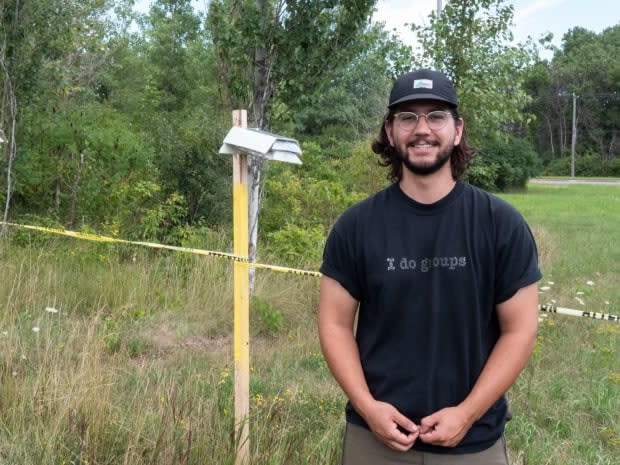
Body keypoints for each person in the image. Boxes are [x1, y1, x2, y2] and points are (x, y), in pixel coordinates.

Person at [317, 69, 541, 464]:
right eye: (408, 117)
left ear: (457, 130)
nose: (422, 129)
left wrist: (467, 413)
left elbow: (519, 329)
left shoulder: (501, 224)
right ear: (390, 132)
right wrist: (368, 406)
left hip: (474, 442)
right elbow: (334, 325)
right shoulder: (355, 226)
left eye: (436, 115)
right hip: (374, 440)